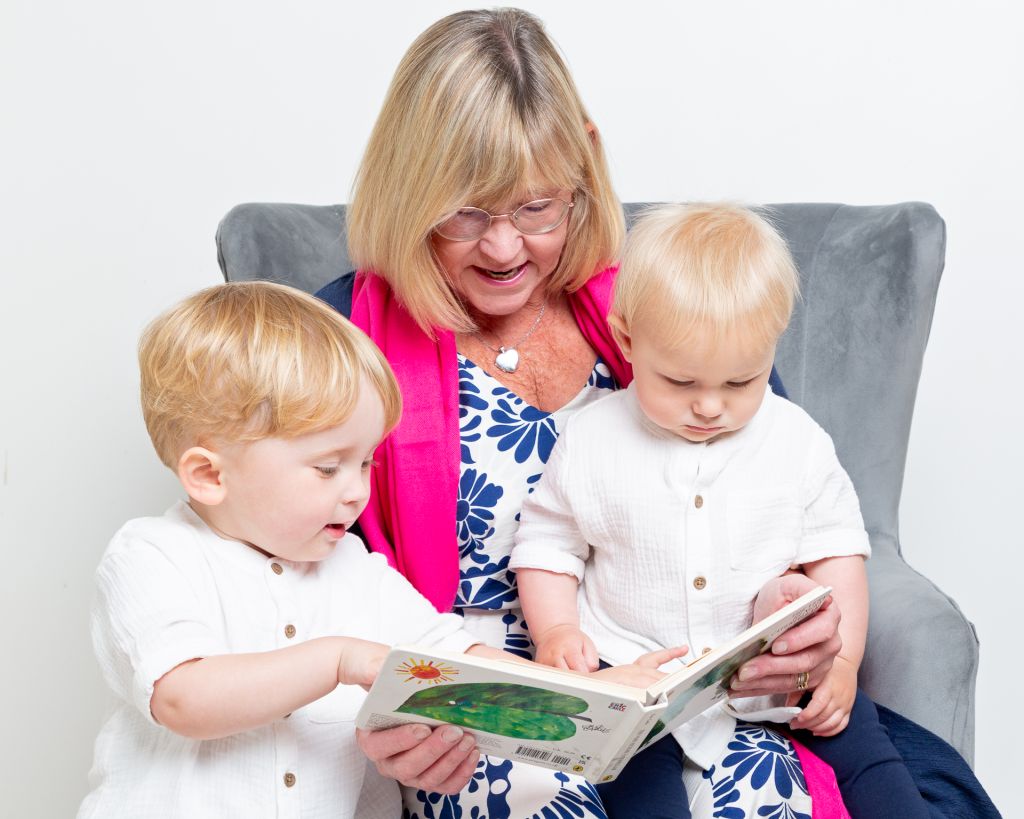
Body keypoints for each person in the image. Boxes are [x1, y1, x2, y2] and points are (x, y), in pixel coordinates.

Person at [317, 9, 848, 816]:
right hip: (482, 705)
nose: (503, 249)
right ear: (407, 189)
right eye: (464, 212)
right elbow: (291, 579)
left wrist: (807, 638)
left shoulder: (658, 299)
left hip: (682, 682)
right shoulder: (343, 341)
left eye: (536, 207)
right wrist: (377, 717)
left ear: (582, 171)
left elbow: (776, 483)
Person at [509, 202, 932, 818]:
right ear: (627, 339)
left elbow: (838, 551)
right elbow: (548, 547)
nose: (710, 406)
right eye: (680, 383)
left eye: (741, 383)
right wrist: (556, 632)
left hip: (772, 668)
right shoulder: (590, 440)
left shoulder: (797, 440)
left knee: (867, 749)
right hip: (635, 665)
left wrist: (841, 664)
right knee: (631, 778)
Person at [79, 282, 546, 817]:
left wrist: (594, 693)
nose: (357, 491)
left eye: (367, 462)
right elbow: (184, 698)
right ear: (209, 475)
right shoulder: (152, 556)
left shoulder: (354, 566)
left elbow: (451, 655)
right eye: (328, 467)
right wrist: (337, 660)